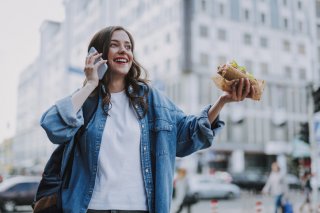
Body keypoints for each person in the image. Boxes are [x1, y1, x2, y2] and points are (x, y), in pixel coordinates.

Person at [40, 26, 255, 213]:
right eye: (115, 45)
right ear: (98, 55)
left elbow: (187, 134)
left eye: (128, 46)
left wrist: (222, 102)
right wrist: (89, 85)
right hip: (90, 208)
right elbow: (53, 127)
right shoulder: (86, 101)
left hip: (140, 208)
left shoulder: (152, 100)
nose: (124, 50)